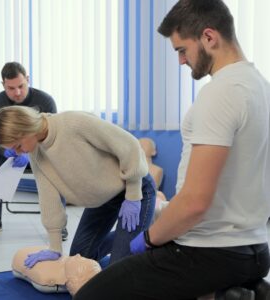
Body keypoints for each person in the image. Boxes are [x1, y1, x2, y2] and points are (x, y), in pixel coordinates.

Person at [71, 1, 270, 299]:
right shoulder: (260, 87)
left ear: (209, 37)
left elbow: (194, 203)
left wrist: (150, 239)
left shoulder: (221, 94)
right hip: (255, 248)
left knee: (91, 294)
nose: (180, 60)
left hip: (209, 252)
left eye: (181, 49)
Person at [0, 106, 156, 266]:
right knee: (80, 257)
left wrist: (133, 195)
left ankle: (153, 234)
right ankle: (134, 236)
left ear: (26, 128)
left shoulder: (74, 123)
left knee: (120, 269)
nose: (19, 153)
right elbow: (49, 198)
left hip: (135, 190)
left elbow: (130, 145)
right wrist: (54, 247)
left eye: (18, 146)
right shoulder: (36, 154)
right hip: (103, 200)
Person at [0, 62, 59, 238]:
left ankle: (58, 221)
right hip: (11, 155)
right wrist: (3, 151)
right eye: (11, 88)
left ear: (27, 79)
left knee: (57, 162)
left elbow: (54, 137)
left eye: (21, 86)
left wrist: (31, 154)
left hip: (39, 155)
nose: (17, 92)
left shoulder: (45, 101)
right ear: (3, 85)